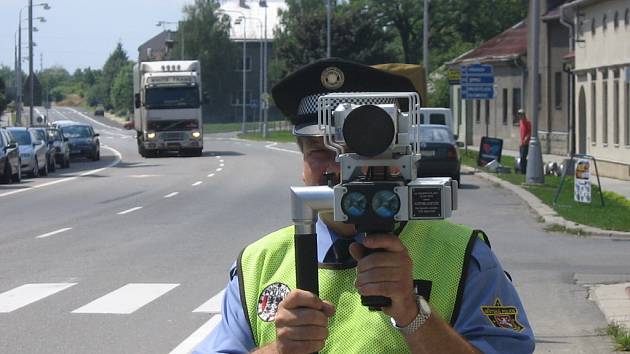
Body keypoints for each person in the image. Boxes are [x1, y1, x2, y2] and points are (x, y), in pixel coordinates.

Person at [194, 58, 535, 354]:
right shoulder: (260, 263)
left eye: (358, 153)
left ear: (398, 157)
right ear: (301, 159)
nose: (339, 169)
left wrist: (413, 314)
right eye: (321, 152)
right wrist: (280, 349)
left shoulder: (461, 257)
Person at [518, 109, 531, 174]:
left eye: (521, 114)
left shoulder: (527, 122)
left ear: (524, 115)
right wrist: (520, 142)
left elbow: (529, 132)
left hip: (526, 143)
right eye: (519, 114)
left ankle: (524, 171)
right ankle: (521, 170)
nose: (520, 116)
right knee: (521, 157)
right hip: (522, 143)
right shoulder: (521, 122)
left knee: (523, 157)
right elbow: (521, 133)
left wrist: (526, 138)